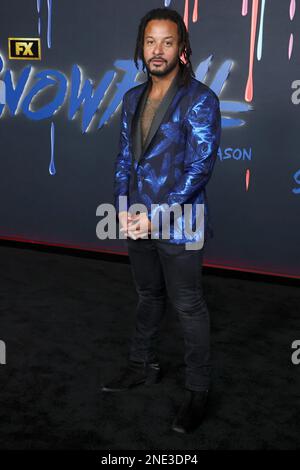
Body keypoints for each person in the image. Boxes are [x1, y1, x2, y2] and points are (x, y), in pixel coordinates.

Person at [101, 7, 221, 434]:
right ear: (141, 46)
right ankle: (142, 365)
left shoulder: (201, 99)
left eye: (167, 42)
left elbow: (199, 168)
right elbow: (123, 160)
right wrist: (120, 206)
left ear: (182, 48)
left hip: (179, 223)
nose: (158, 50)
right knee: (148, 296)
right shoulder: (132, 98)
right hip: (135, 221)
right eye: (150, 41)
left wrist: (156, 217)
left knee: (188, 306)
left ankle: (198, 391)